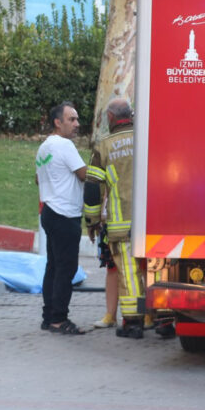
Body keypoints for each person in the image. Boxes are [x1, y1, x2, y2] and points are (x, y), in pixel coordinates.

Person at [83, 98, 147, 338]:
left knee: (129, 274)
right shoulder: (147, 137)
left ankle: (133, 323)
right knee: (158, 268)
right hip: (153, 223)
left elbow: (93, 188)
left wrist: (92, 222)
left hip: (123, 227)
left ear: (110, 118)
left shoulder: (104, 146)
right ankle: (163, 319)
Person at [36, 101, 87, 335]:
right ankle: (59, 320)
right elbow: (84, 174)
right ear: (58, 122)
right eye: (71, 119)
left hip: (50, 211)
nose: (77, 124)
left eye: (76, 119)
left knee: (53, 267)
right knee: (66, 269)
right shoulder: (64, 146)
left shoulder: (44, 147)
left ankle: (49, 316)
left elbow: (38, 179)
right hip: (65, 214)